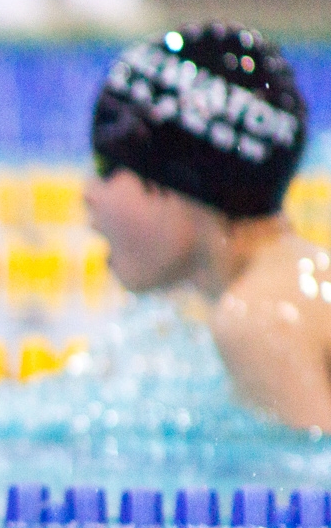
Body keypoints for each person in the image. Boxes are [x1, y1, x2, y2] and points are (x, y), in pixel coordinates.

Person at [85, 22, 326, 430]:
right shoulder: (283, 282)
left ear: (181, 182)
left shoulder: (258, 316)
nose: (88, 193)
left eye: (108, 169)